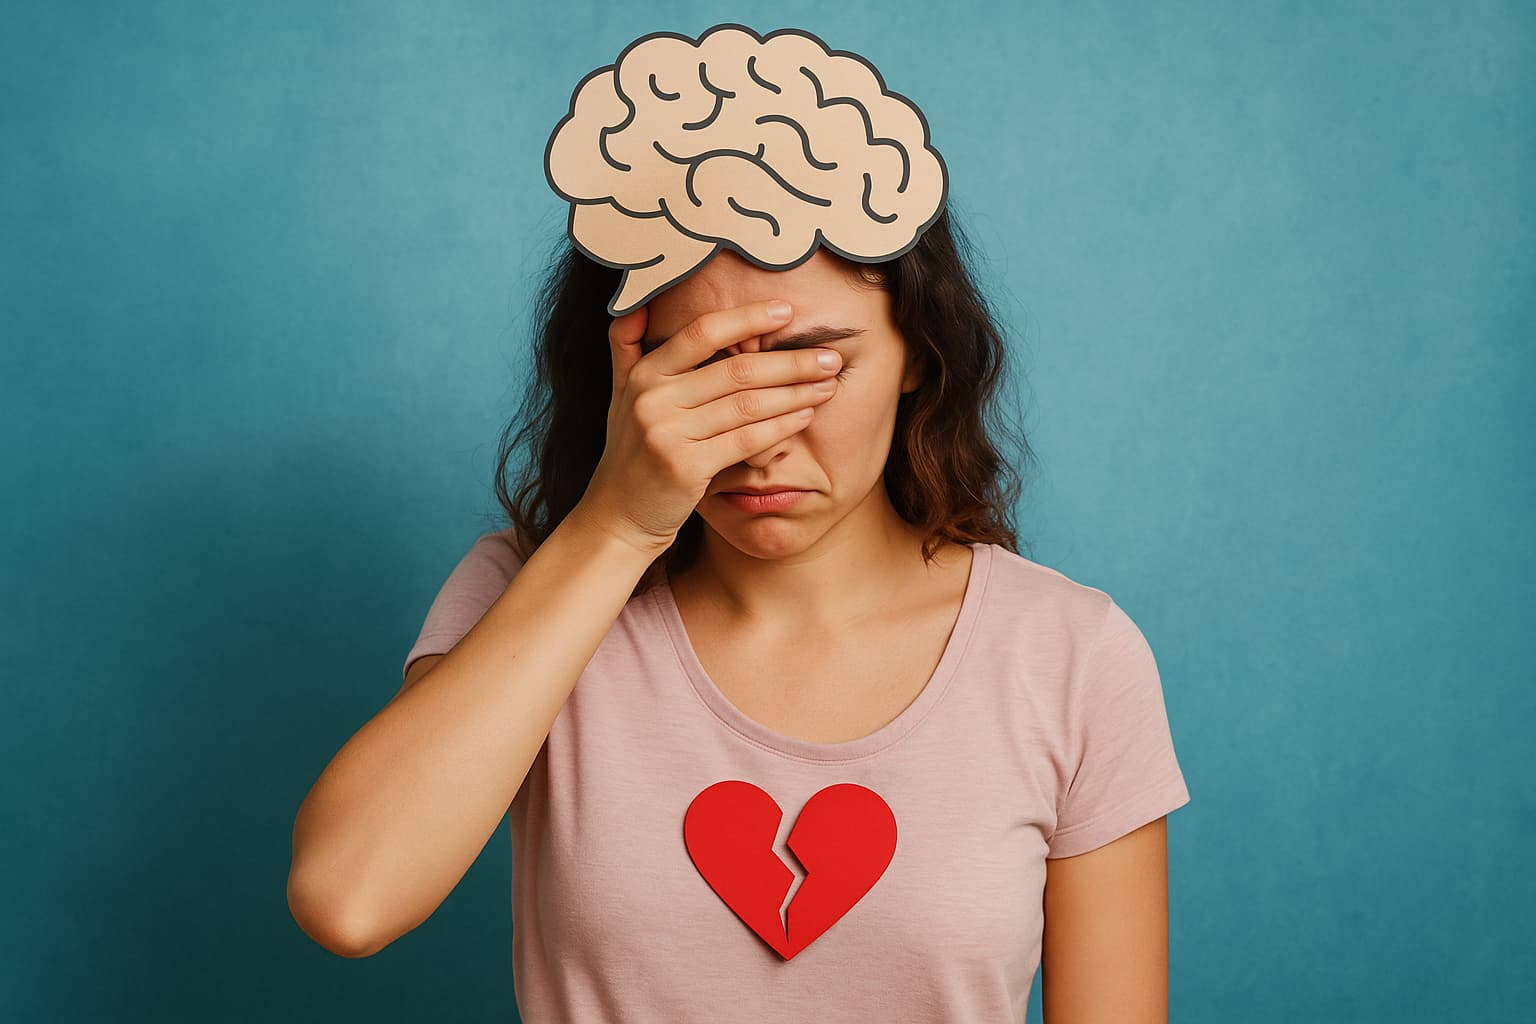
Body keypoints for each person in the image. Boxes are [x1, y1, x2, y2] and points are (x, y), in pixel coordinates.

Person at [286, 205, 1192, 1022]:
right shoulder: (530, 591)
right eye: (703, 371)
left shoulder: (1070, 653)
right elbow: (347, 899)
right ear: (627, 371)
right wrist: (614, 528)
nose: (759, 440)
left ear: (919, 352)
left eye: (814, 364)